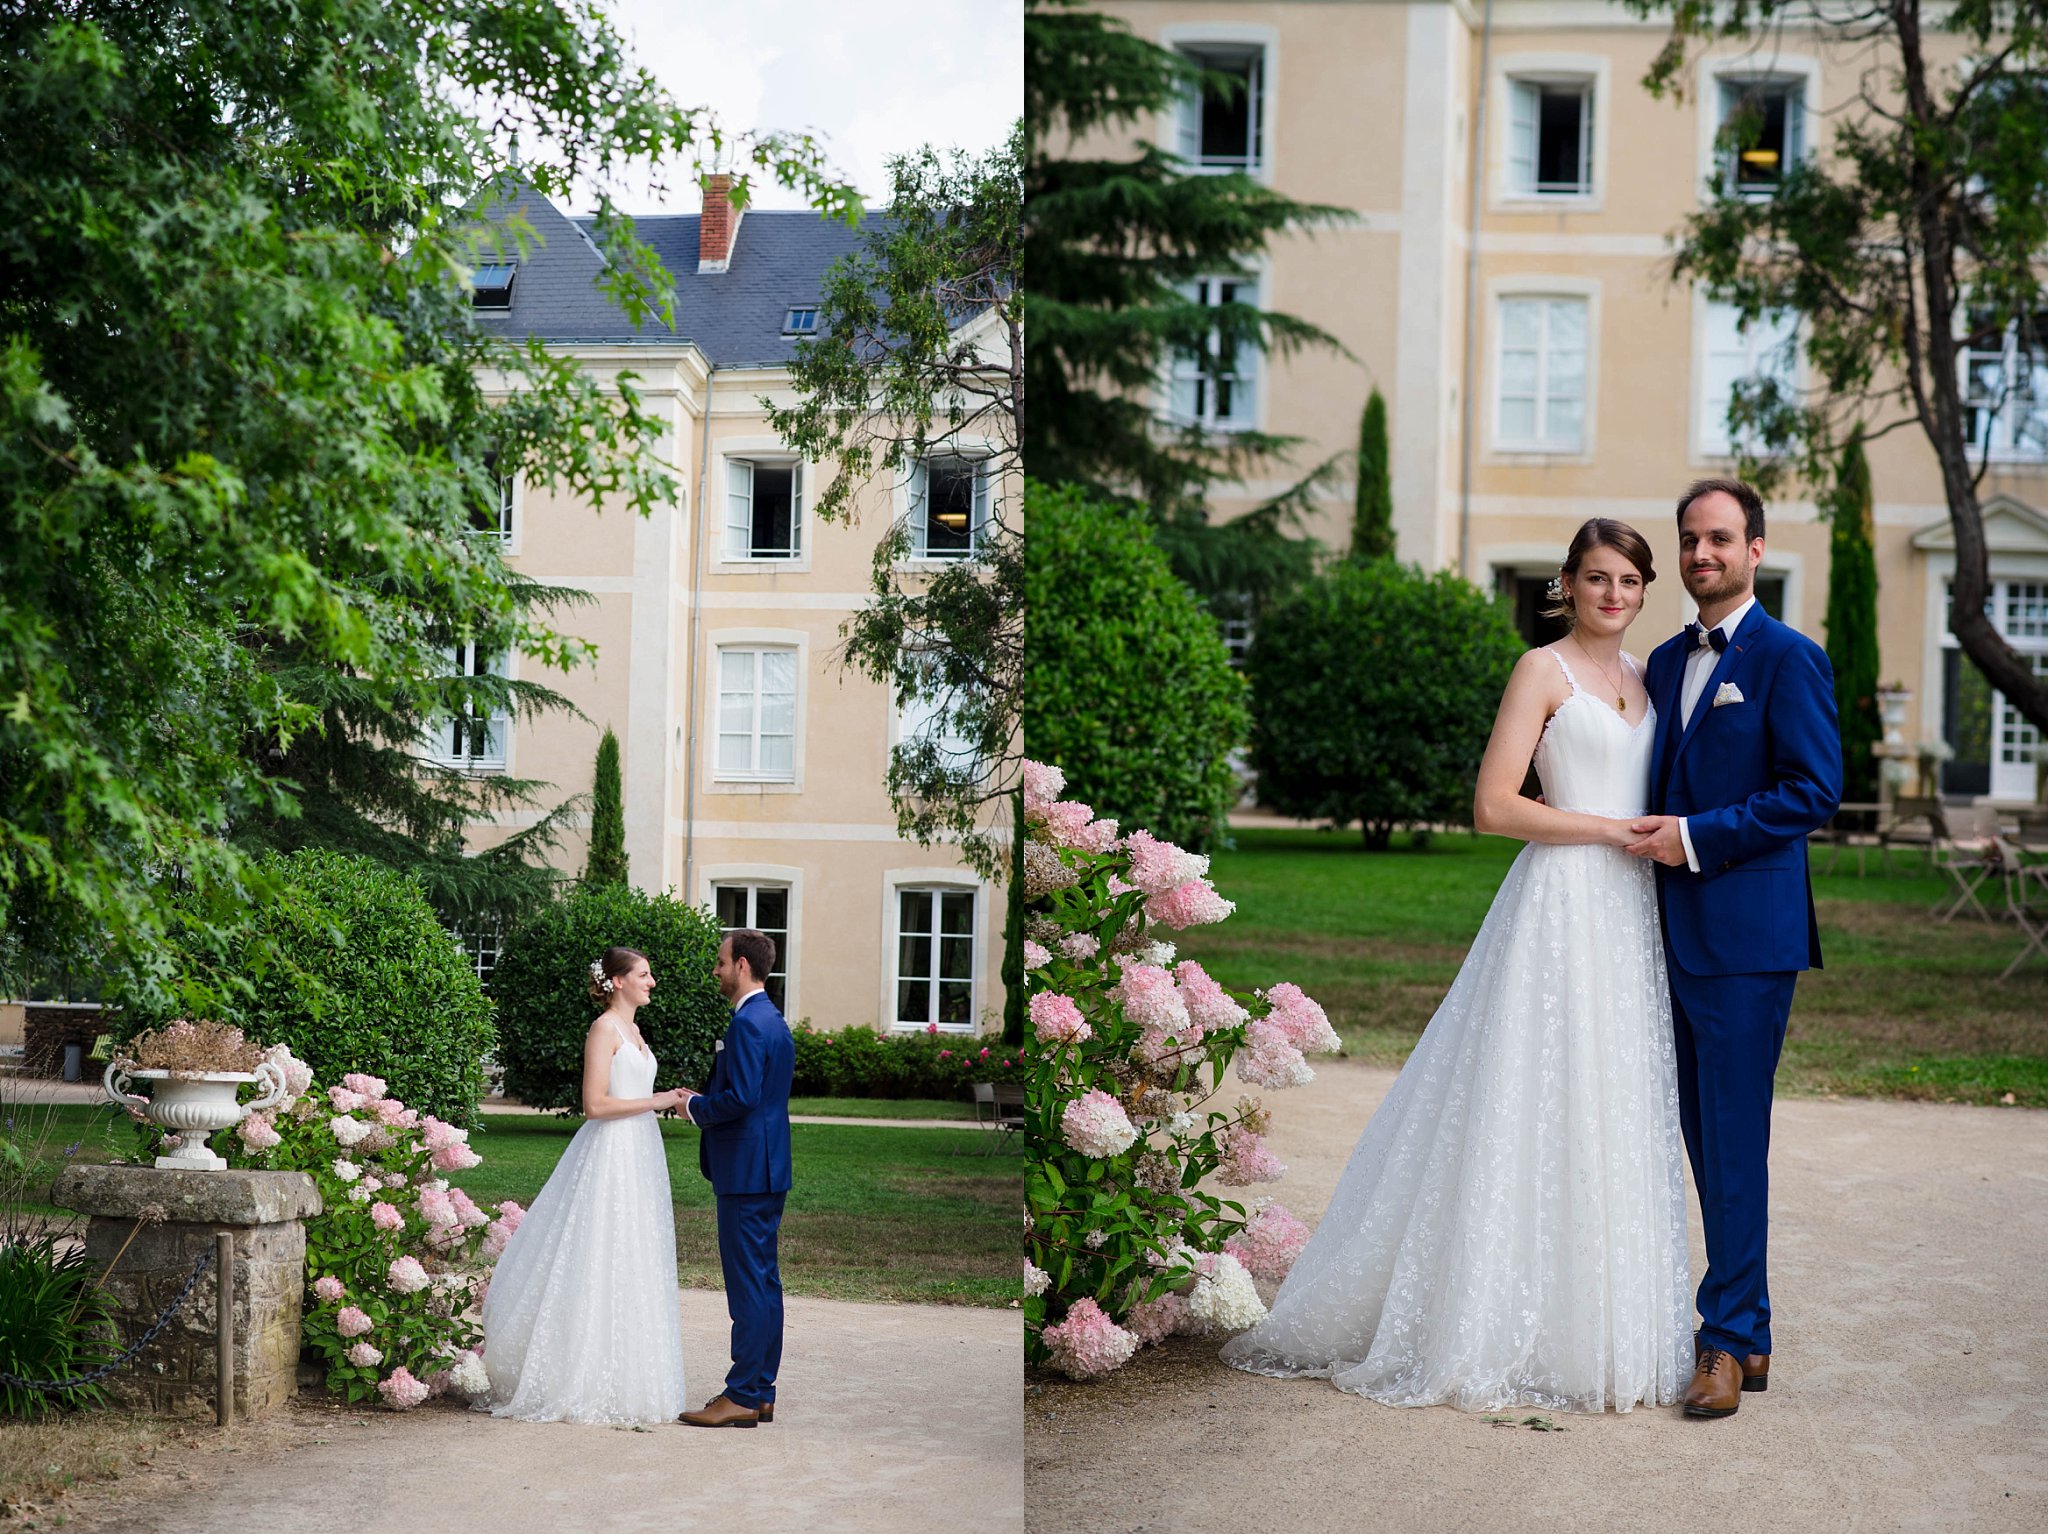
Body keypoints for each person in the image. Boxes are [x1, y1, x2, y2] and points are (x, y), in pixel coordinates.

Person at [1220, 517, 1693, 1413]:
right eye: (1597, 579)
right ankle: (1482, 1319)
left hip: (1630, 913)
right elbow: (1491, 804)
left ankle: (1594, 1325)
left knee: (1611, 1100)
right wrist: (1602, 828)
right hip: (1559, 896)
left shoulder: (1647, 675)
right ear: (1568, 582)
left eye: (1630, 582)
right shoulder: (1539, 671)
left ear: (1643, 591)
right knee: (1529, 1092)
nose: (1613, 596)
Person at [1623, 478, 1840, 1418]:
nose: (1701, 554)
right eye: (1689, 540)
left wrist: (1697, 836)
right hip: (1656, 933)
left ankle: (1724, 1340)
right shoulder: (1664, 661)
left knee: (1732, 1138)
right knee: (1701, 1142)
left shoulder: (1791, 658)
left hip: (1748, 938)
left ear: (1756, 548)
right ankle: (1745, 1333)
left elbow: (1812, 790)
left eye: (1719, 538)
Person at [480, 946, 690, 1424]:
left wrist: (665, 1102)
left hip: (640, 1150)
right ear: (617, 981)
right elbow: (595, 1104)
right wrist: (656, 1099)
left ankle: (628, 1375)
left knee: (634, 1252)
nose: (651, 981)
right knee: (598, 1249)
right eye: (643, 974)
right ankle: (577, 1373)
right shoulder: (604, 1029)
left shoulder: (635, 1031)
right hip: (611, 1150)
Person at [674, 928, 795, 1428]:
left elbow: (742, 1097)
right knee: (764, 1283)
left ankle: (743, 1394)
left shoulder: (747, 1024)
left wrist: (693, 1106)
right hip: (766, 1168)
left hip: (746, 1173)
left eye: (721, 962)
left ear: (742, 965)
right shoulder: (772, 1019)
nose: (717, 970)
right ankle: (761, 1390)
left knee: (748, 1287)